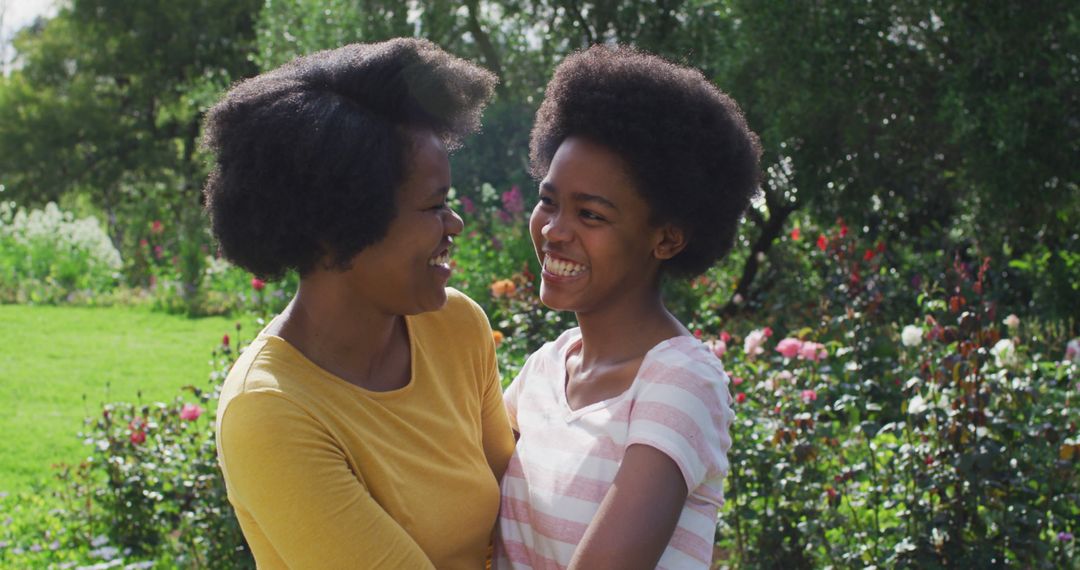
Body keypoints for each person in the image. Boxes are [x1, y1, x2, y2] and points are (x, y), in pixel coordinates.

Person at [203, 38, 515, 569]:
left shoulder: (455, 325)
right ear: (339, 227)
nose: (454, 225)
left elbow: (520, 515)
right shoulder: (270, 411)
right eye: (434, 206)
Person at [494, 45, 761, 569]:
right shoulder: (545, 370)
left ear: (666, 239)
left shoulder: (680, 382)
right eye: (549, 200)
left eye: (590, 215)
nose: (553, 230)